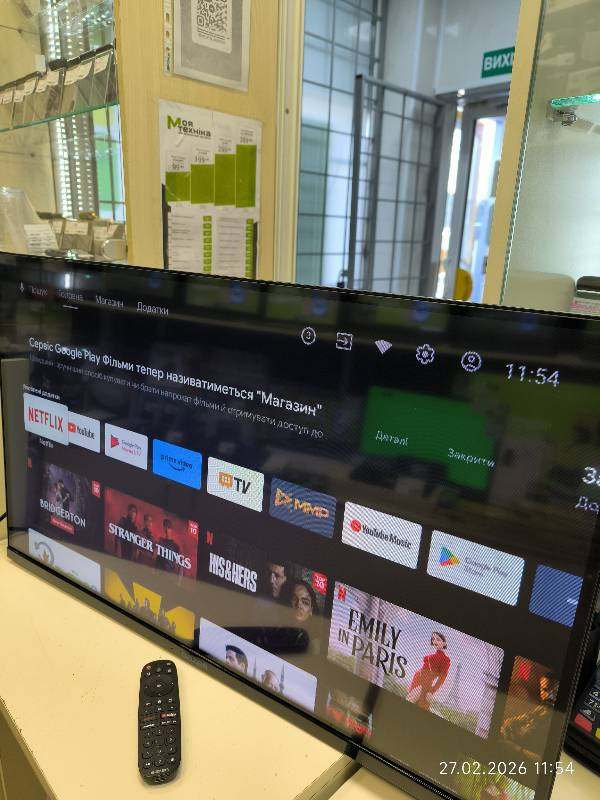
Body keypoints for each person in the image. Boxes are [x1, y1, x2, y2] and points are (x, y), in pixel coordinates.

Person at [500, 672, 559, 759]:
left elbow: (544, 760)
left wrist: (515, 748)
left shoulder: (556, 723)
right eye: (545, 690)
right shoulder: (541, 708)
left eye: (555, 692)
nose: (549, 696)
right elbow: (516, 720)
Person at [406, 631, 451, 710]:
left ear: (444, 643)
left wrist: (432, 691)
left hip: (424, 685)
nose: (435, 641)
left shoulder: (445, 659)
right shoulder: (433, 654)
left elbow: (442, 678)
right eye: (433, 639)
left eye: (438, 639)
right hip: (417, 680)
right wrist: (412, 683)